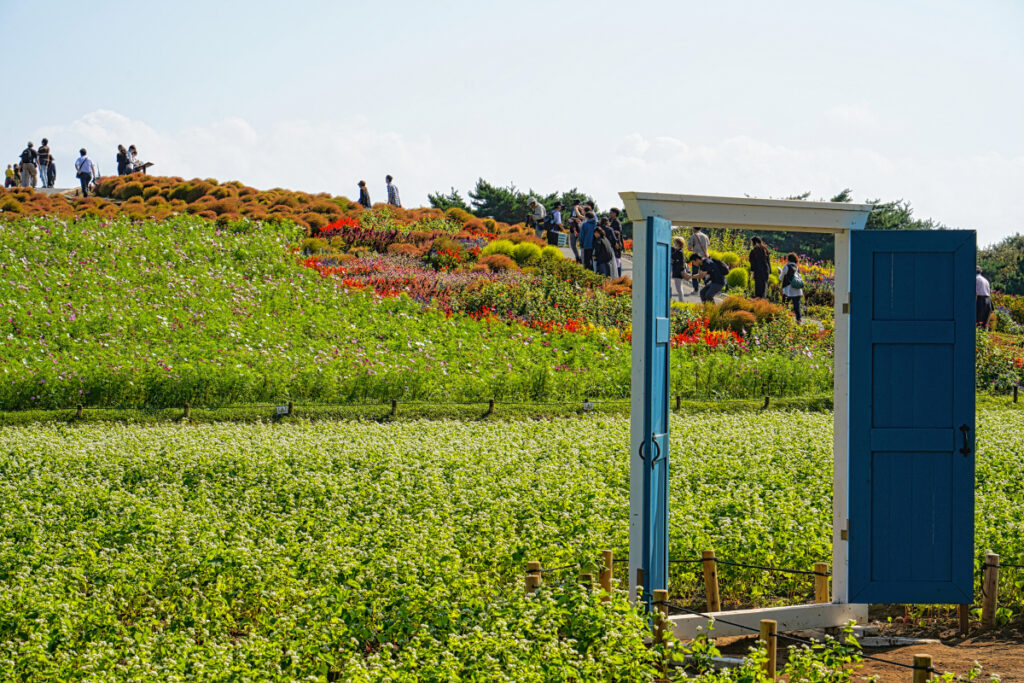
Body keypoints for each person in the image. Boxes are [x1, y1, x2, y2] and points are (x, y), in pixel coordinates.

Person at [779, 253, 803, 323]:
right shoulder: (797, 268)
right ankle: (799, 320)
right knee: (797, 307)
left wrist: (780, 272)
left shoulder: (786, 267)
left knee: (784, 305)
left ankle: (783, 319)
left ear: (788, 259)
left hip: (788, 291)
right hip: (798, 290)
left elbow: (781, 278)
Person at [687, 227, 710, 293]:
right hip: (705, 258)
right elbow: (707, 246)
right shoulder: (705, 236)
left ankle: (696, 289)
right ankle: (707, 287)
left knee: (695, 273)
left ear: (694, 229)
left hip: (696, 258)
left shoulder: (693, 236)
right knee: (704, 273)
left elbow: (689, 248)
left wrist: (694, 249)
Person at [608, 208, 624, 276]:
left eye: (611, 212)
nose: (610, 214)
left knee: (617, 261)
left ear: (615, 214)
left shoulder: (617, 222)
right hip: (613, 243)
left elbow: (618, 233)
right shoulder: (611, 221)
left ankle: (619, 277)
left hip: (616, 244)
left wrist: (617, 242)